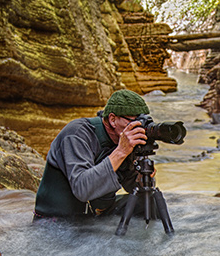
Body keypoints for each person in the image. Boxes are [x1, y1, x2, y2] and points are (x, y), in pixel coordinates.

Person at [33, 89, 151, 219]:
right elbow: (82, 190)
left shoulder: (124, 141)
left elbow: (133, 186)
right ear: (112, 119)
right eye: (133, 121)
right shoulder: (77, 134)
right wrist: (121, 152)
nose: (138, 127)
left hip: (95, 216)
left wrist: (143, 176)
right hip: (57, 222)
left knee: (148, 203)